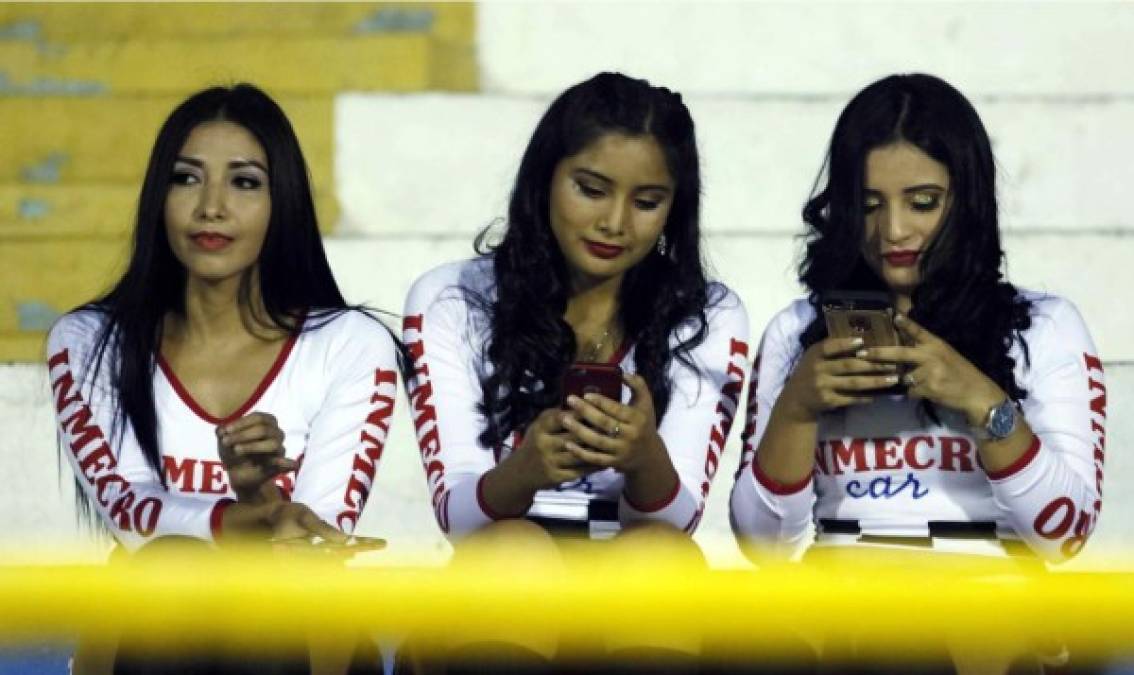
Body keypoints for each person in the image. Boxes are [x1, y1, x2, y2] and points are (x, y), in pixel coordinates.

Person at [730, 73, 1106, 673]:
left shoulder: (1044, 325)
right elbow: (763, 546)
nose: (894, 232)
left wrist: (984, 402)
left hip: (986, 589)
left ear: (969, 200)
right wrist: (796, 410)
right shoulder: (797, 329)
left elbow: (1064, 535)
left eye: (923, 203)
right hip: (842, 588)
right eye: (869, 205)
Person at [400, 72, 750, 671]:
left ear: (675, 208)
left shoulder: (707, 313)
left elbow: (676, 522)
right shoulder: (451, 297)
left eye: (647, 202)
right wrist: (526, 471)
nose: (615, 223)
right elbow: (458, 517)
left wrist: (645, 459)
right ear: (544, 180)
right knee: (513, 553)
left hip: (633, 576)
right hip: (500, 574)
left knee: (659, 563)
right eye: (591, 190)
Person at [46, 83, 399, 674]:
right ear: (157, 196)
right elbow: (135, 519)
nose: (211, 206)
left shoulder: (351, 345)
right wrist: (251, 516)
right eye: (186, 178)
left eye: (244, 181)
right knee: (171, 571)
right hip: (149, 627)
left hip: (298, 627)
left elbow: (313, 540)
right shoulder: (87, 342)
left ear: (281, 200)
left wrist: (259, 496)